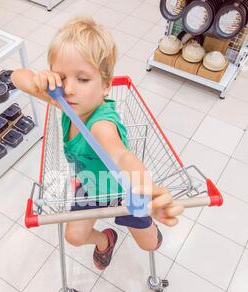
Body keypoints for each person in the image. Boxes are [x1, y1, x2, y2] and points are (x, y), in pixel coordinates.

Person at [12, 17, 184, 271]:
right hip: (92, 186)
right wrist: (38, 80)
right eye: (61, 77)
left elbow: (120, 154)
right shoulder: (63, 101)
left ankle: (149, 227)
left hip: (125, 190)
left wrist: (147, 188)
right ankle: (106, 239)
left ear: (106, 86)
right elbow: (17, 76)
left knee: (149, 244)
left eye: (83, 79)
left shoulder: (100, 124)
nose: (69, 88)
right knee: (74, 236)